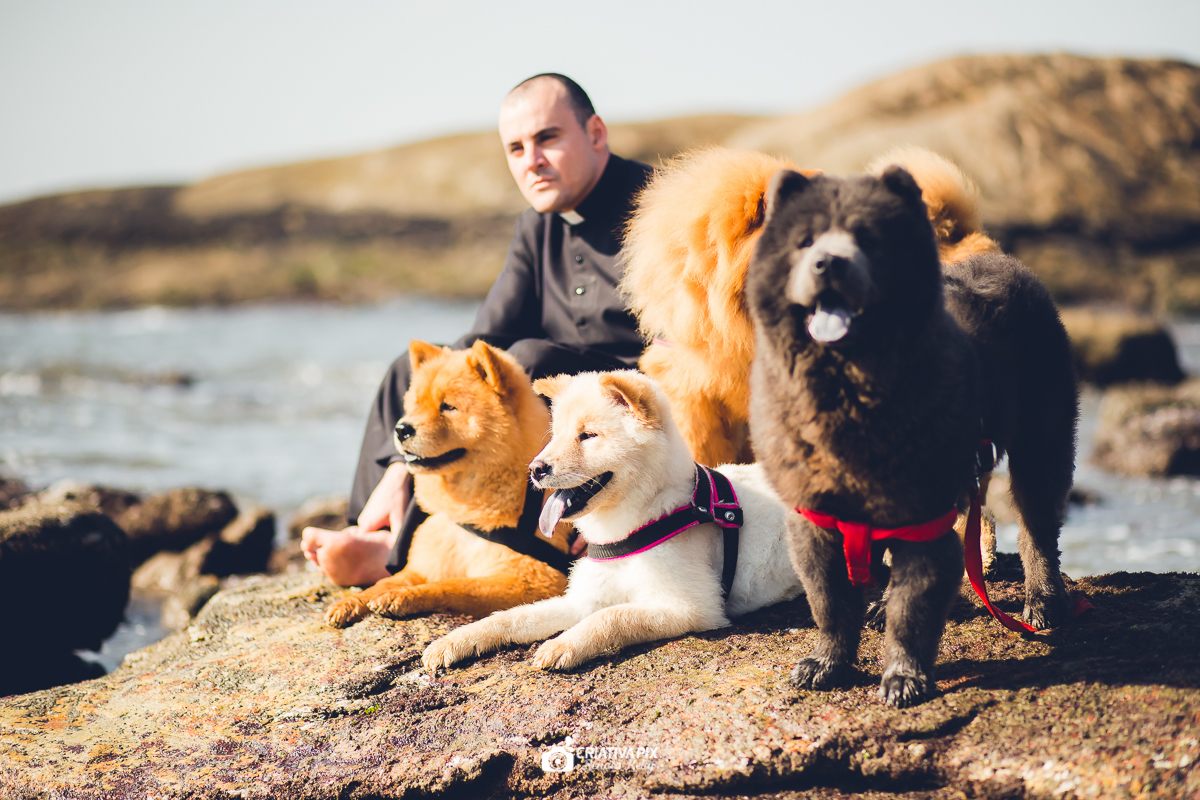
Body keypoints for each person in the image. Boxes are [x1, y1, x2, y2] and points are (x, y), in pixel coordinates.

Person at [302, 73, 653, 586]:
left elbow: (686, 357)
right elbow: (481, 341)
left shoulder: (657, 208)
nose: (531, 161)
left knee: (527, 363)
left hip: (623, 405)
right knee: (412, 371)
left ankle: (398, 556)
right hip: (549, 397)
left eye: (548, 138)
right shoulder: (535, 225)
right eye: (516, 148)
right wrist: (401, 464)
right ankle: (379, 531)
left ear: (595, 134)